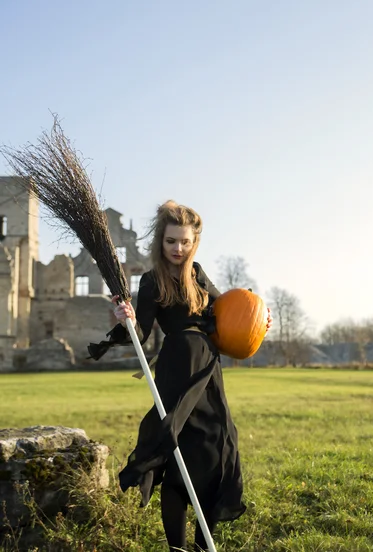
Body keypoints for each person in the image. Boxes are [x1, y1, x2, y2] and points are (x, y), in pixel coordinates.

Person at [108, 200, 272, 552]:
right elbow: (142, 329)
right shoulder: (151, 281)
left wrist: (259, 323)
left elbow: (225, 314)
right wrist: (126, 319)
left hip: (208, 370)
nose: (178, 249)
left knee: (215, 450)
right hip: (178, 366)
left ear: (193, 242)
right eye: (171, 242)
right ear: (160, 242)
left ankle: (203, 545)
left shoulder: (197, 273)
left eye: (184, 242)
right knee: (176, 451)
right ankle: (177, 548)